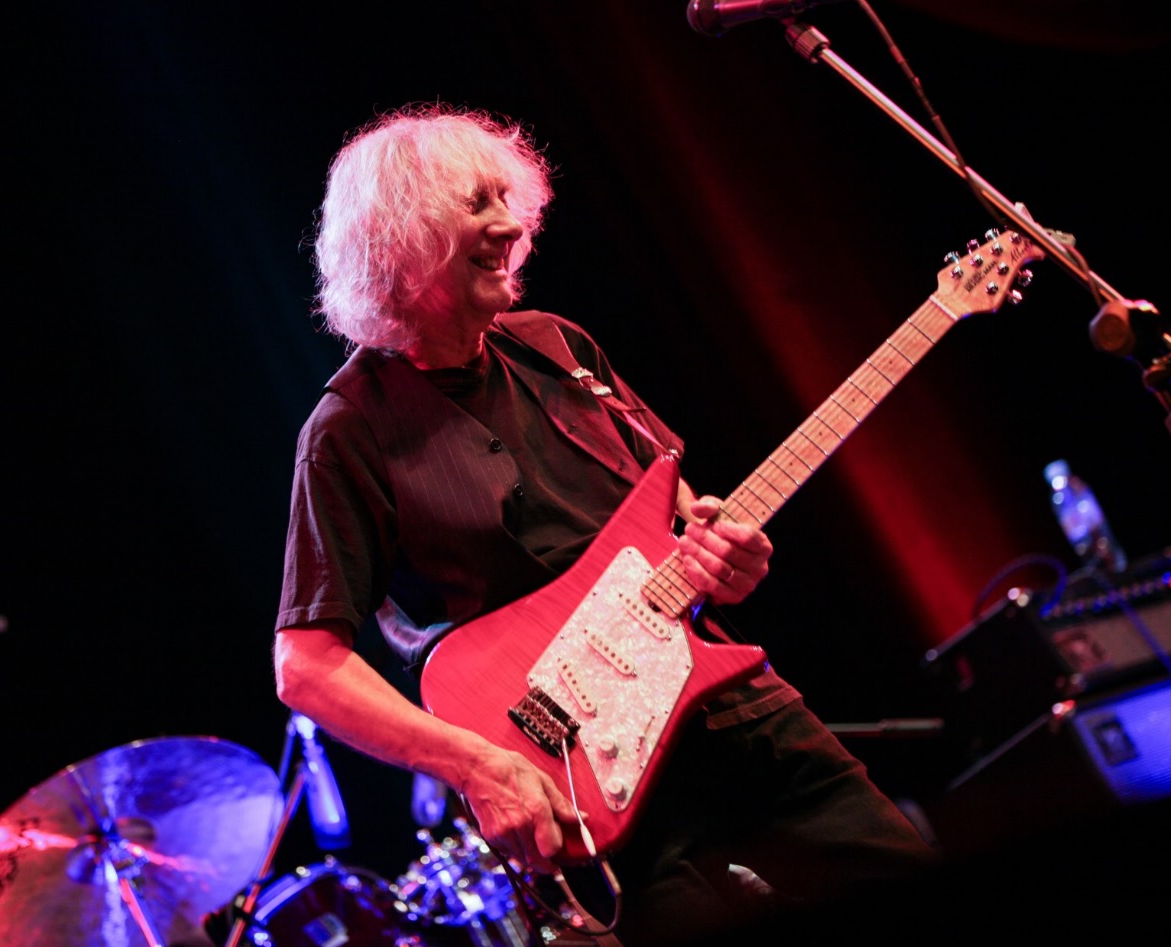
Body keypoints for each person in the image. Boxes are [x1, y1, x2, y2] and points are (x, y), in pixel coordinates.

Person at [272, 103, 936, 945]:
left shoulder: (558, 346)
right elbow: (307, 667)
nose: (512, 224)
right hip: (580, 782)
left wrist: (727, 557)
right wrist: (475, 764)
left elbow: (682, 513)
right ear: (403, 238)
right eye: (478, 205)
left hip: (724, 706)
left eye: (508, 200)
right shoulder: (348, 431)